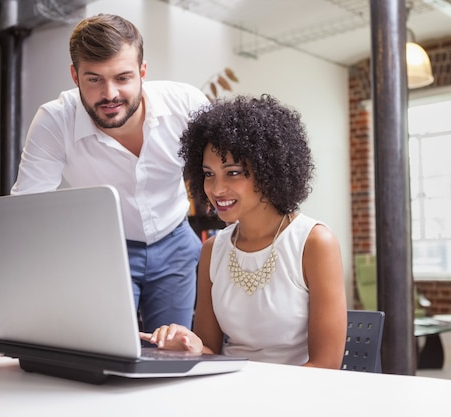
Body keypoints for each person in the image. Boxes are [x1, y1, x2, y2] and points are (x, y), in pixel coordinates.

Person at [0, 13, 208, 362]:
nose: (109, 94)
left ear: (143, 73)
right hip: (105, 251)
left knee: (175, 358)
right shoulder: (55, 120)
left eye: (123, 77)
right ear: (74, 75)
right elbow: (24, 221)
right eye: (94, 79)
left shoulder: (187, 105)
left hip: (175, 243)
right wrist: (6, 323)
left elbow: (228, 172)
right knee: (109, 357)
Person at [141, 95, 348, 369]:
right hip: (230, 393)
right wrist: (190, 345)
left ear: (267, 171)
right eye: (209, 174)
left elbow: (326, 366)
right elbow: (210, 350)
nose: (216, 189)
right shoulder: (213, 250)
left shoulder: (314, 242)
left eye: (233, 172)